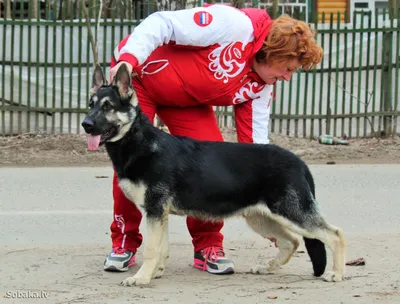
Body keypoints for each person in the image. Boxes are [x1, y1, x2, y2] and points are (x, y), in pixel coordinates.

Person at [102, 3, 323, 274]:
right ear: (273, 52)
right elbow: (162, 23)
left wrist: (268, 202)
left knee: (211, 168)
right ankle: (124, 242)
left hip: (187, 99)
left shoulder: (262, 86)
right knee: (135, 164)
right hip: (139, 78)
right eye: (288, 68)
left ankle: (208, 246)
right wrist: (129, 58)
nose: (288, 77)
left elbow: (256, 150)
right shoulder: (233, 25)